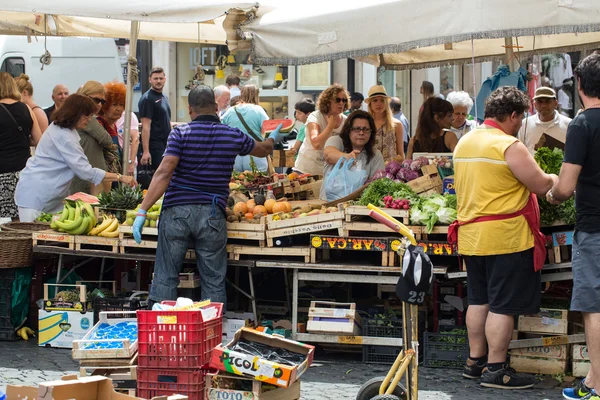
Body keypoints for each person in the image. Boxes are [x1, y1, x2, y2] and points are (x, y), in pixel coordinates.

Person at [131, 86, 283, 308]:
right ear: (215, 107)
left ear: (190, 109)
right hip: (212, 215)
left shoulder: (180, 133)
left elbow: (164, 172)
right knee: (213, 281)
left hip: (176, 213)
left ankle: (162, 329)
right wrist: (272, 138)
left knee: (166, 276)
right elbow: (262, 149)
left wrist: (143, 210)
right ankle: (212, 329)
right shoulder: (232, 134)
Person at [452, 86, 557, 389]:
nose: (519, 124)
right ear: (513, 115)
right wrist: (554, 178)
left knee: (478, 300)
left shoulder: (464, 142)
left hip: (471, 236)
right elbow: (539, 184)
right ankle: (497, 369)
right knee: (502, 306)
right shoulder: (508, 145)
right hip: (505, 238)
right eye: (520, 118)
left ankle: (475, 362)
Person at [546, 53, 600, 400]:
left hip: (595, 228)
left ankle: (597, 387)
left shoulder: (581, 125)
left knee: (594, 307)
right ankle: (592, 381)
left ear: (579, 84)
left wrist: (551, 196)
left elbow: (565, 187)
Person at [15, 94, 135, 222]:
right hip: (37, 197)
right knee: (33, 237)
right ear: (75, 114)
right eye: (87, 116)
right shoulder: (64, 136)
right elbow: (85, 171)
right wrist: (119, 177)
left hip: (47, 196)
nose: (89, 120)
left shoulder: (64, 129)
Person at [0, 72, 42, 219]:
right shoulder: (26, 109)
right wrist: (23, 139)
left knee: (2, 219)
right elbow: (38, 140)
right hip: (23, 171)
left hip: (2, 172)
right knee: (21, 216)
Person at [322, 110, 384, 200]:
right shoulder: (336, 141)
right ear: (348, 130)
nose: (361, 133)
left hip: (358, 206)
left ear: (371, 133)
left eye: (366, 129)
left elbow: (377, 183)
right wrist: (347, 157)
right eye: (356, 129)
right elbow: (328, 155)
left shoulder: (375, 154)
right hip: (329, 204)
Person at [70, 81, 113, 195]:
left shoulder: (82, 114)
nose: (99, 105)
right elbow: (107, 139)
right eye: (96, 100)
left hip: (89, 175)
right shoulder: (85, 116)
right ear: (85, 97)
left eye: (102, 101)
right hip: (87, 177)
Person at [295, 83, 349, 176]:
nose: (341, 103)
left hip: (331, 173)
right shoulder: (315, 117)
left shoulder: (346, 121)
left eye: (344, 100)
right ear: (328, 101)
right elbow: (317, 144)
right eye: (337, 100)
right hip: (306, 171)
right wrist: (330, 126)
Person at [222, 85, 270, 173]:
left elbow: (222, 131)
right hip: (256, 154)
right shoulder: (258, 110)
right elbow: (268, 130)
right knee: (259, 183)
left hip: (235, 156)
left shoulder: (230, 111)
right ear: (256, 95)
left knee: (237, 184)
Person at [517, 87, 572, 154]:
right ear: (534, 104)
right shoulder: (525, 124)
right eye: (539, 102)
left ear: (555, 104)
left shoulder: (568, 124)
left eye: (548, 102)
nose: (543, 105)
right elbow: (519, 151)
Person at [138, 67, 171, 177]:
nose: (158, 81)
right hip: (154, 147)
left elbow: (166, 121)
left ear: (165, 79)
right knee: (159, 177)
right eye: (155, 78)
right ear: (150, 80)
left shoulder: (164, 97)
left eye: (161, 78)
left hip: (165, 145)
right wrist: (146, 151)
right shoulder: (147, 99)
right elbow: (145, 126)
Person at [97, 81, 128, 190]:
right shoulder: (99, 124)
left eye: (121, 105)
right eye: (114, 104)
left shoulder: (113, 126)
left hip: (116, 178)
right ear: (105, 106)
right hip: (104, 179)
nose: (119, 109)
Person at [366, 85, 405, 162]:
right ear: (370, 104)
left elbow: (400, 154)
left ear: (386, 103)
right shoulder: (365, 124)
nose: (379, 104)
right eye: (375, 100)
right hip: (370, 169)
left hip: (390, 170)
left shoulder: (397, 124)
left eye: (382, 100)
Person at [116, 111, 140, 177]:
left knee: (128, 185)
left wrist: (131, 163)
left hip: (127, 160)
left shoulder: (129, 115)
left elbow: (135, 139)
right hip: (115, 160)